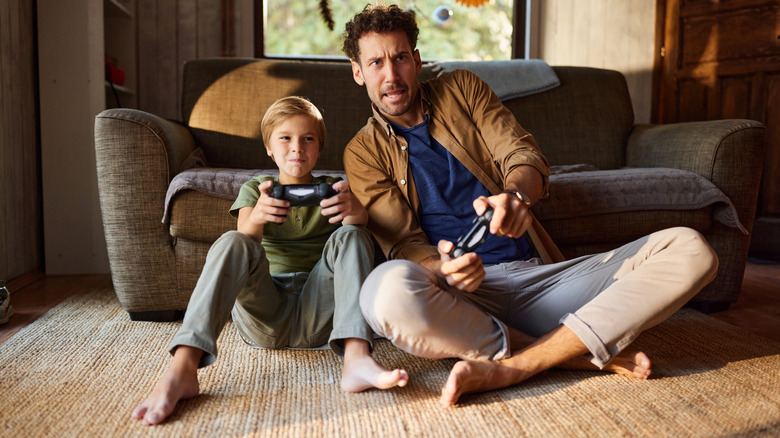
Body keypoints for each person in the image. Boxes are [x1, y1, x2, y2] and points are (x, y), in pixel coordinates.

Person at [341, 5, 718, 407]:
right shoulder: (362, 151)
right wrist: (442, 269)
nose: (391, 76)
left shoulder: (462, 89)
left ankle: (515, 365)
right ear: (358, 72)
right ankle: (574, 356)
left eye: (400, 58)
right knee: (382, 292)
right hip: (459, 301)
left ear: (417, 60)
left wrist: (516, 196)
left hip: (543, 285)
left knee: (690, 249)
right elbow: (402, 244)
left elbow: (522, 155)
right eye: (376, 62)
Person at [132, 96, 408, 426]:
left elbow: (353, 249)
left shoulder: (335, 190)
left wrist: (357, 215)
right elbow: (244, 240)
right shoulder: (257, 189)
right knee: (235, 240)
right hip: (266, 314)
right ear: (268, 147)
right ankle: (183, 368)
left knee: (354, 236)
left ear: (319, 148)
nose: (297, 148)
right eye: (285, 138)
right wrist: (257, 218)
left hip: (319, 312)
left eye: (308, 139)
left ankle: (356, 357)